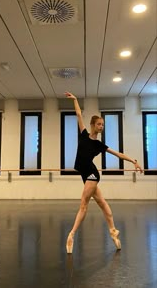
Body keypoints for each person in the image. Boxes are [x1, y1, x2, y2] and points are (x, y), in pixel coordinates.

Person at [64, 91, 143, 254]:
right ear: (93, 125)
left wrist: (134, 161)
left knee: (83, 206)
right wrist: (75, 100)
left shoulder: (99, 145)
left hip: (93, 175)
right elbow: (78, 114)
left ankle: (71, 235)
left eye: (103, 125)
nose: (102, 127)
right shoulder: (84, 135)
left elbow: (118, 154)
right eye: (99, 124)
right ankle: (113, 230)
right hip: (86, 175)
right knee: (102, 203)